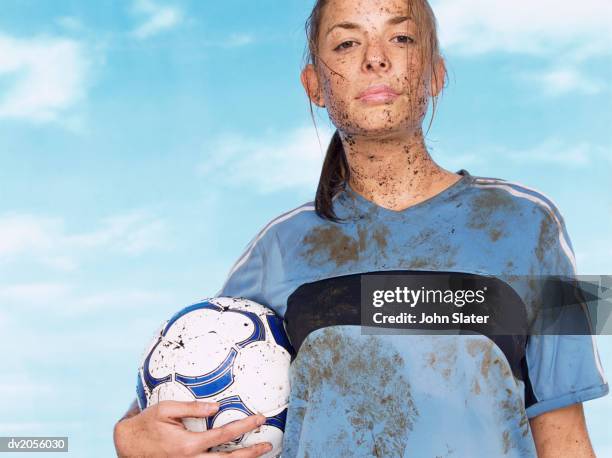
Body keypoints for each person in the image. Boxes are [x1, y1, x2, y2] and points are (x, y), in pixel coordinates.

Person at [113, 0, 609, 456]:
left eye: (402, 38)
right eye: (347, 43)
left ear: (435, 74)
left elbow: (567, 435)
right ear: (315, 85)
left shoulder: (536, 222)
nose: (376, 58)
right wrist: (128, 436)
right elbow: (188, 389)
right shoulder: (275, 247)